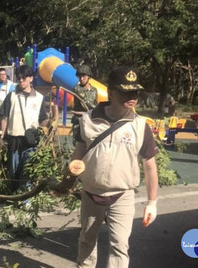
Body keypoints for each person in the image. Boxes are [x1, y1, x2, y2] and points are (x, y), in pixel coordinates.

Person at [56, 65, 159, 268]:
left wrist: (152, 202)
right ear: (110, 92)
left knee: (120, 246)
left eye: (135, 92)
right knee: (86, 242)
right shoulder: (87, 121)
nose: (132, 97)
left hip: (122, 196)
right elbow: (78, 155)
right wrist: (66, 182)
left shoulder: (140, 126)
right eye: (126, 92)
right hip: (91, 194)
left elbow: (150, 166)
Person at [0, 65, 49, 191]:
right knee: (14, 170)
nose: (21, 80)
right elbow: (4, 117)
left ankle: (26, 198)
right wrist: (1, 136)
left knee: (28, 169)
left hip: (31, 140)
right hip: (14, 139)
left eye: (24, 78)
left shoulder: (39, 98)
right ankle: (16, 194)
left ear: (31, 78)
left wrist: (51, 123)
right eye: (19, 78)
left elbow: (43, 118)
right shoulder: (12, 96)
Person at [71, 64, 98, 145]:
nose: (81, 78)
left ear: (88, 77)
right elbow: (87, 103)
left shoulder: (94, 90)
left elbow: (95, 103)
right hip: (79, 122)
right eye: (79, 76)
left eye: (83, 76)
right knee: (77, 146)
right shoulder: (77, 89)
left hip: (90, 121)